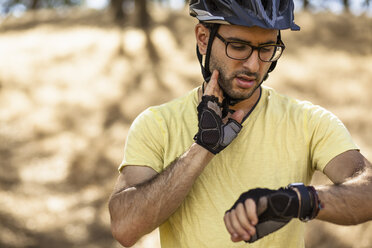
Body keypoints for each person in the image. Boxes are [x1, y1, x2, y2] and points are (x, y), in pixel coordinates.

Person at [109, 0, 372, 247]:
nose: (253, 64)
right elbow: (125, 227)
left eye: (266, 49)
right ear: (203, 39)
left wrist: (295, 200)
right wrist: (202, 148)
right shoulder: (157, 124)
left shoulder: (308, 121)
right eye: (238, 46)